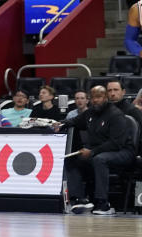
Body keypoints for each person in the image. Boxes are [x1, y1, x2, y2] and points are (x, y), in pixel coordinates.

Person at [57, 86, 135, 215]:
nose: (95, 100)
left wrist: (92, 152)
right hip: (100, 151)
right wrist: (60, 124)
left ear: (105, 98)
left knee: (99, 159)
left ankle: (103, 204)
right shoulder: (90, 113)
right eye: (93, 97)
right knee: (71, 158)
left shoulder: (115, 114)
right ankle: (79, 199)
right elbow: (75, 121)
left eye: (98, 97)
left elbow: (116, 143)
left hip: (124, 151)